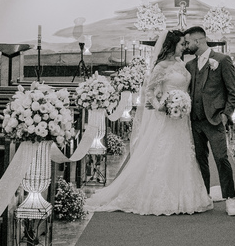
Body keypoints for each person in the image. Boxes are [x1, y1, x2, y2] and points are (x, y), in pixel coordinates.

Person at [87, 30, 213, 216]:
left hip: (182, 120)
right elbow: (149, 92)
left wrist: (183, 104)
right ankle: (158, 196)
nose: (184, 47)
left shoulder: (181, 63)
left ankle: (184, 195)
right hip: (166, 118)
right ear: (171, 46)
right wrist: (162, 106)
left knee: (183, 154)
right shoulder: (160, 67)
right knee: (164, 153)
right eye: (181, 44)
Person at [182, 25, 235, 216]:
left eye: (188, 42)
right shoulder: (190, 65)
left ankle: (230, 199)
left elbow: (234, 90)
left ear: (198, 41)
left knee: (221, 158)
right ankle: (204, 195)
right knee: (200, 159)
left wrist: (226, 114)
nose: (186, 45)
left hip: (215, 119)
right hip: (195, 120)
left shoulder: (222, 60)